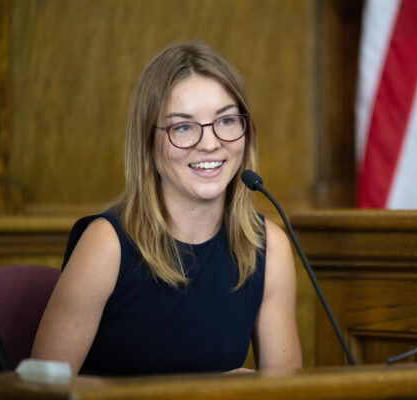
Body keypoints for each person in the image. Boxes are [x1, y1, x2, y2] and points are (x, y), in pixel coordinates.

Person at [31, 41, 302, 376]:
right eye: (183, 127)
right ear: (148, 144)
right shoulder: (107, 244)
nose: (210, 143)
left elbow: (287, 392)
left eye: (227, 121)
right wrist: (204, 391)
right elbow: (41, 387)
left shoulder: (268, 247)